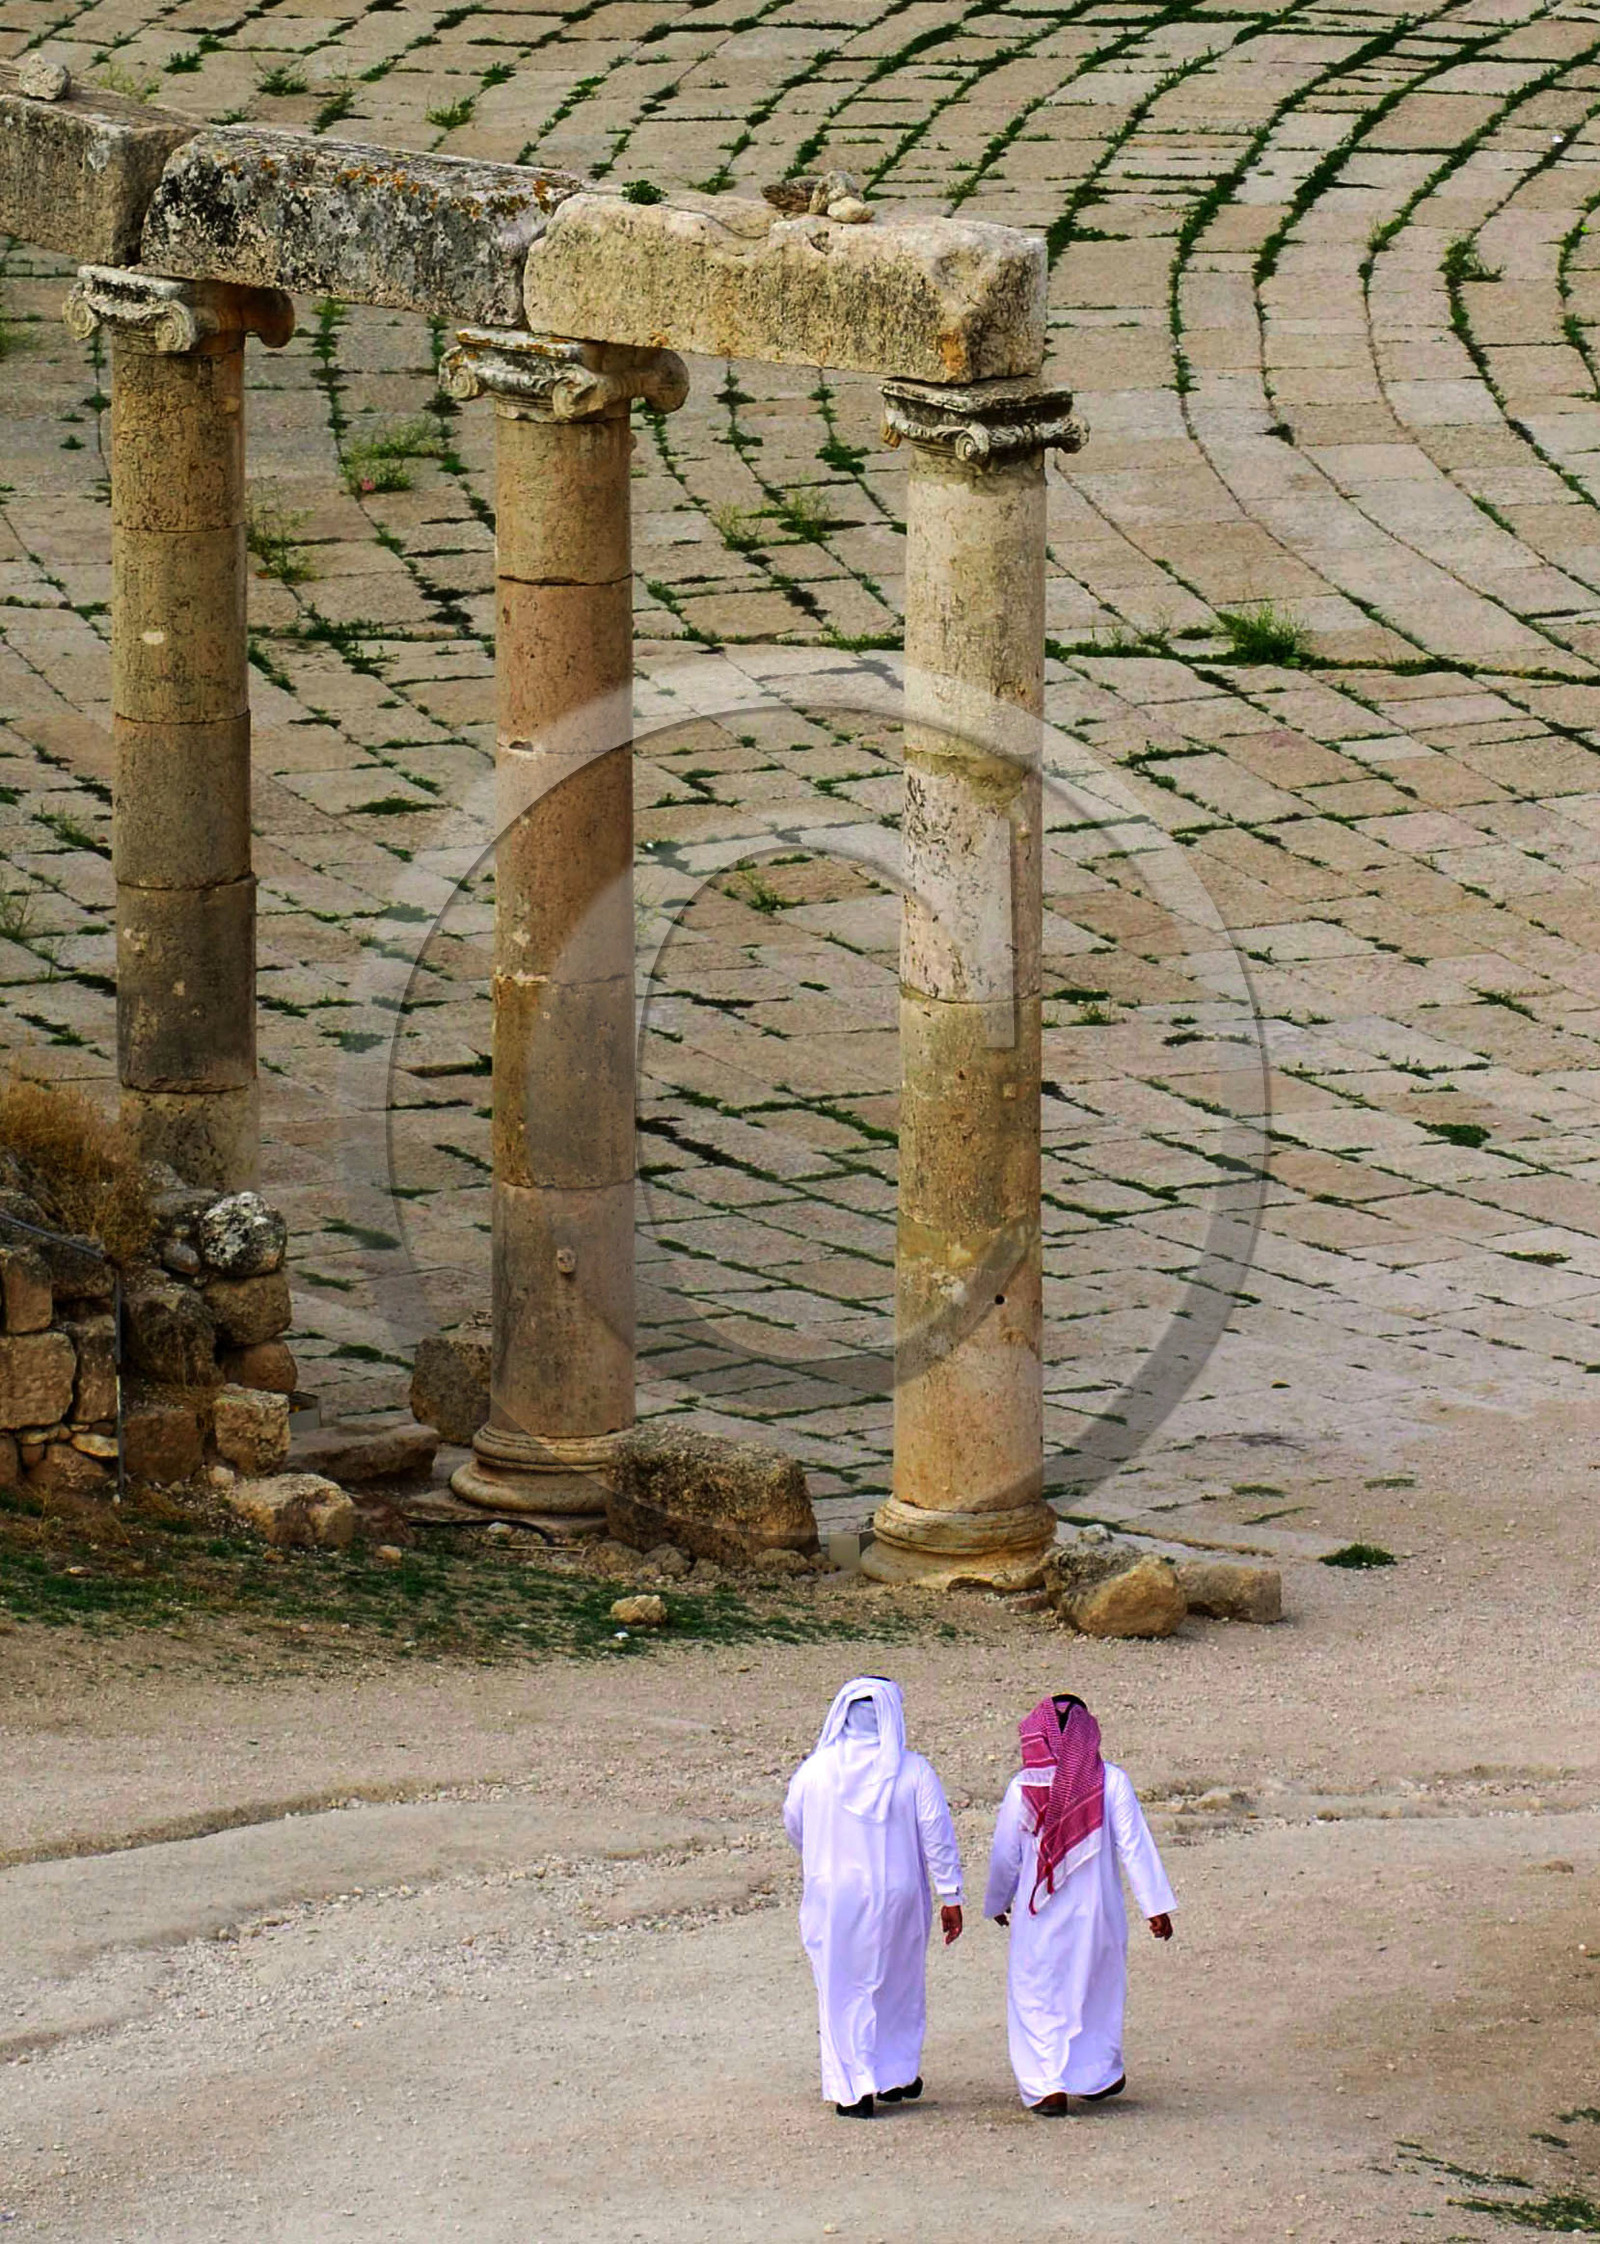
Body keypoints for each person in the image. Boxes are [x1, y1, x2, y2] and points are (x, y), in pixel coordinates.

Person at [983, 1691, 1175, 2115]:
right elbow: (1134, 1847)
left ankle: (1048, 2086)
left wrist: (998, 1899)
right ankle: (1095, 2075)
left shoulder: (1024, 1786)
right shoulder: (1111, 1781)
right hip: (1097, 1914)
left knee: (1038, 1995)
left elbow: (1006, 1855)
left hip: (1039, 1915)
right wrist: (1154, 1906)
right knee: (1094, 1990)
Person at [783, 1676, 964, 2117]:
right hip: (898, 1895)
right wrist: (950, 1893)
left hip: (834, 1898)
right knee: (896, 1984)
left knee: (842, 1988)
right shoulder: (913, 1770)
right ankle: (893, 2073)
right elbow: (937, 1835)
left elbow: (795, 1824)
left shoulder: (815, 1770)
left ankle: (855, 2090)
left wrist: (826, 1856)